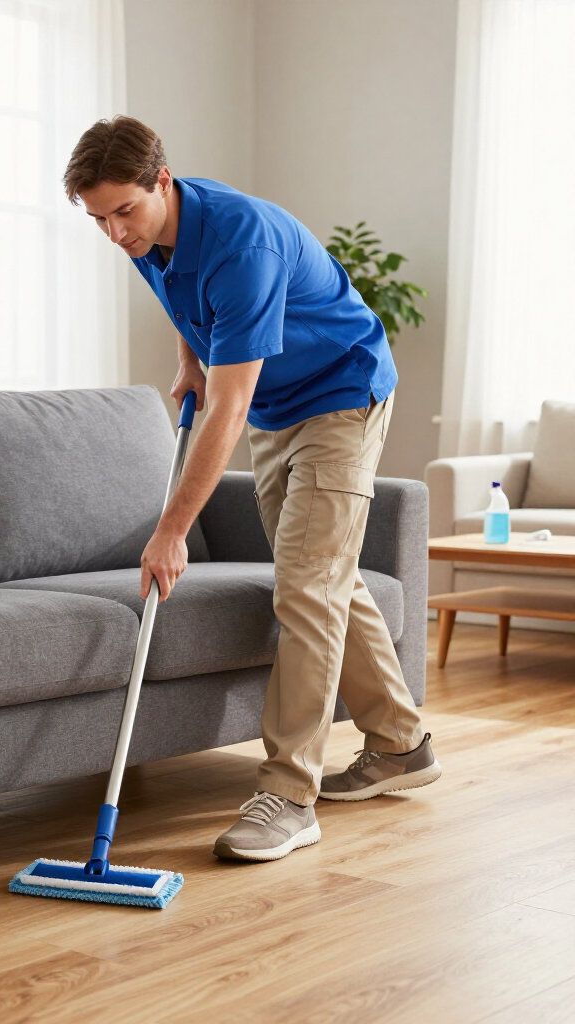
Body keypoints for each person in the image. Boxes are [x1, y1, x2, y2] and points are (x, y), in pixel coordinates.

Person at [63, 116, 441, 862]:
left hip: (341, 391)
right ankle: (400, 743)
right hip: (276, 402)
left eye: (123, 213)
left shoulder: (244, 243)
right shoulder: (147, 233)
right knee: (321, 574)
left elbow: (227, 414)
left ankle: (289, 795)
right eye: (97, 218)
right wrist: (192, 356)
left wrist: (171, 529)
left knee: (305, 584)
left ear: (161, 182)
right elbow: (185, 297)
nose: (113, 234)